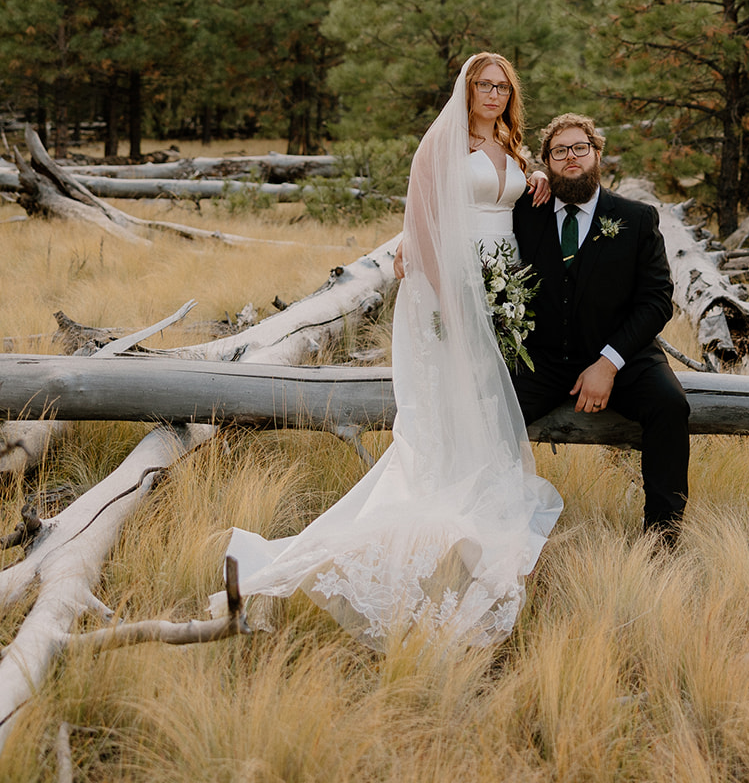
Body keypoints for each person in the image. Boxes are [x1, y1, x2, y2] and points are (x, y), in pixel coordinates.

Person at [218, 54, 562, 648]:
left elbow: (507, 202)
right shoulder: (442, 144)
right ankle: (406, 527)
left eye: (502, 86)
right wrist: (447, 296)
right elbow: (422, 224)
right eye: (483, 84)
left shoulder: (512, 142)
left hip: (502, 284)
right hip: (449, 286)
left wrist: (537, 179)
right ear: (466, 88)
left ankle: (473, 485)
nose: (492, 94)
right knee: (445, 408)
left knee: (480, 395)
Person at [509, 113, 690, 541]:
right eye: (559, 152)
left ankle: (663, 536)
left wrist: (607, 364)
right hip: (544, 357)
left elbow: (657, 300)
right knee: (490, 412)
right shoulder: (524, 213)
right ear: (546, 164)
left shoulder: (637, 218)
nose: (570, 157)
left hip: (622, 355)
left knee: (670, 405)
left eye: (579, 148)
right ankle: (499, 526)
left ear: (596, 154)